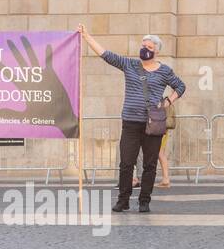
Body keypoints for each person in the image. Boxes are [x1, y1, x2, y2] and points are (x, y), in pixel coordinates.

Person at [77, 26, 185, 213]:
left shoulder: (165, 71)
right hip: (130, 122)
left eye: (149, 46)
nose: (144, 49)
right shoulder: (130, 65)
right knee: (126, 162)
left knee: (150, 164)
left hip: (153, 123)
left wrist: (168, 101)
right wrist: (86, 36)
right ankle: (123, 199)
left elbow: (181, 86)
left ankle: (144, 201)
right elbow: (106, 55)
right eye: (143, 45)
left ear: (156, 51)